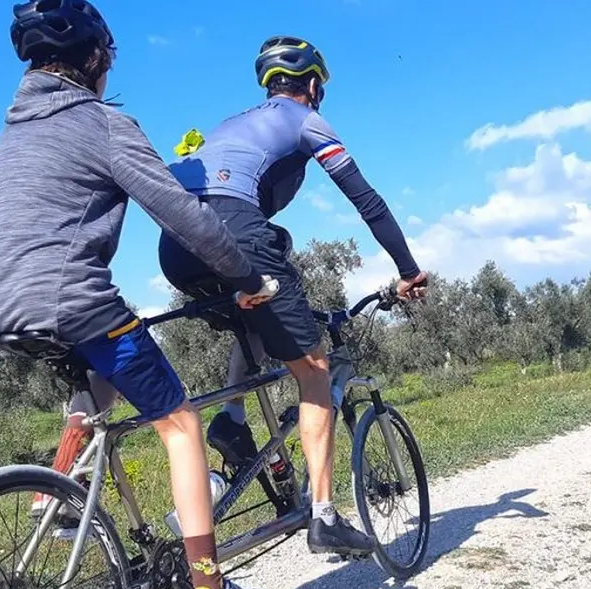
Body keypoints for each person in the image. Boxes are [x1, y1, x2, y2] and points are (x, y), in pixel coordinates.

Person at [0, 0, 274, 589]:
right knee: (181, 422)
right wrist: (247, 278)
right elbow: (182, 215)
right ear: (95, 57)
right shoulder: (100, 122)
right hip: (71, 300)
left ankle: (54, 497)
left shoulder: (14, 130)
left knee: (94, 390)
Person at [159, 36, 430, 558]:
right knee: (314, 369)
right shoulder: (305, 119)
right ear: (312, 85)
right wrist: (408, 269)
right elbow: (367, 201)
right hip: (233, 229)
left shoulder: (229, 125)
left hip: (176, 247)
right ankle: (324, 516)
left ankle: (232, 420)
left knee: (257, 308)